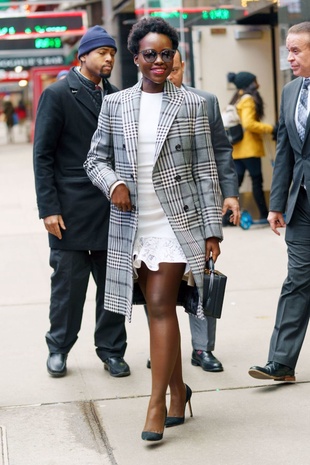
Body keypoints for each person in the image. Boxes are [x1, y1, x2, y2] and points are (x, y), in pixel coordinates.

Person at [84, 17, 224, 442]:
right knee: (157, 312)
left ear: (174, 56)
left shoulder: (193, 104)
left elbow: (205, 169)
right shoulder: (115, 104)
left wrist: (212, 231)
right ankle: (180, 393)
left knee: (162, 306)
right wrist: (116, 184)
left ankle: (156, 404)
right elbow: (94, 160)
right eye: (150, 54)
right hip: (133, 223)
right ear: (136, 58)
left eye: (166, 53)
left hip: (177, 221)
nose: (158, 61)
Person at [33, 25, 130, 379]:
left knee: (114, 286)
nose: (108, 58)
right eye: (102, 52)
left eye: (112, 54)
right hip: (69, 210)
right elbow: (42, 155)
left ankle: (111, 350)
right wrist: (48, 208)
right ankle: (58, 348)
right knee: (68, 288)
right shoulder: (58, 94)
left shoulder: (117, 96)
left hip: (112, 207)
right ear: (83, 56)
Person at [151, 48, 238, 373]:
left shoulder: (204, 101)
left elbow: (221, 151)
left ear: (182, 67)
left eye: (173, 70)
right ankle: (164, 346)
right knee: (161, 281)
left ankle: (202, 348)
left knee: (202, 278)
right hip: (158, 212)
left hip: (198, 207)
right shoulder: (141, 106)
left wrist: (230, 194)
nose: (168, 76)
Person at [248, 21, 310, 382]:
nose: (289, 57)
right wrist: (275, 203)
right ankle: (281, 363)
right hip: (300, 203)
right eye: (288, 50)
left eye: (296, 50)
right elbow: (286, 150)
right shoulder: (289, 91)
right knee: (297, 281)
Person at [225, 71, 276, 224]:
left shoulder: (237, 98)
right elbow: (249, 124)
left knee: (235, 184)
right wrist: (271, 128)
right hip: (250, 149)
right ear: (250, 84)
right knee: (256, 182)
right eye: (255, 80)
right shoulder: (248, 99)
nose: (257, 83)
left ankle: (226, 219)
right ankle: (263, 215)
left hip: (238, 149)